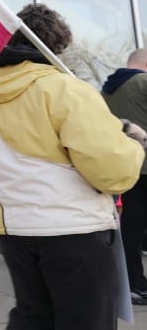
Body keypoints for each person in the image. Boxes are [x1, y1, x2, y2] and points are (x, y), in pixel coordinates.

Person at [0, 3, 145, 330]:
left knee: (31, 318)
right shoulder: (67, 90)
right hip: (75, 231)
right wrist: (134, 143)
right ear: (57, 44)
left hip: (15, 233)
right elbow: (112, 172)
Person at [101, 48, 147, 305]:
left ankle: (133, 284)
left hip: (127, 166)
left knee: (131, 228)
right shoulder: (143, 82)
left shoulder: (107, 88)